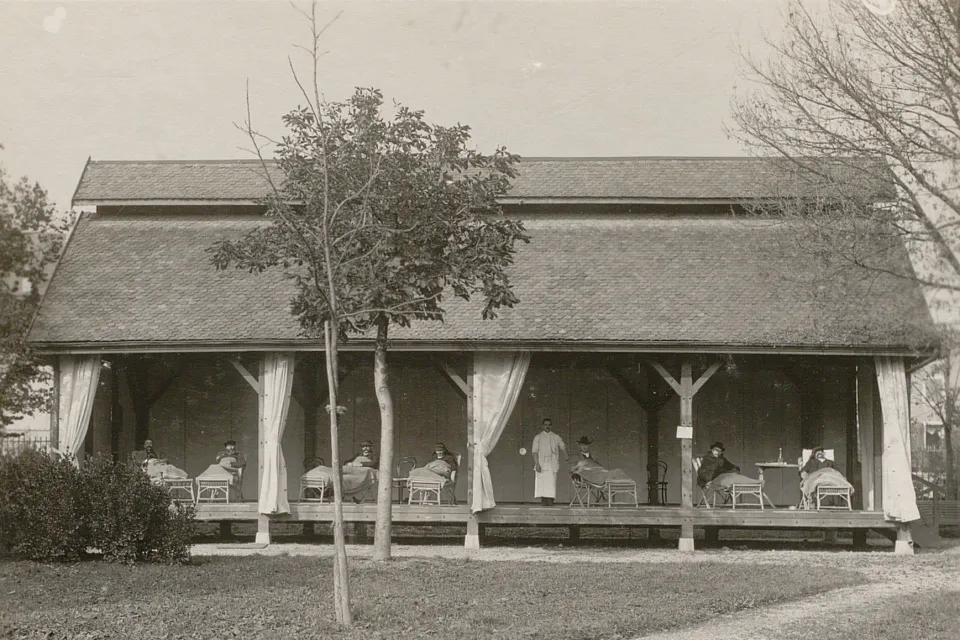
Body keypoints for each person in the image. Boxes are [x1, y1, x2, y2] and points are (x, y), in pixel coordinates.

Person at [532, 418, 567, 506]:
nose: (547, 426)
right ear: (542, 425)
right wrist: (537, 464)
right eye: (545, 424)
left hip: (552, 463)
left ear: (551, 426)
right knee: (542, 484)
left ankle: (550, 502)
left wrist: (566, 455)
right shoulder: (538, 437)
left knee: (551, 483)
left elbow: (562, 446)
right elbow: (534, 451)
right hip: (541, 464)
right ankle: (543, 502)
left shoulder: (555, 436)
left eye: (549, 425)